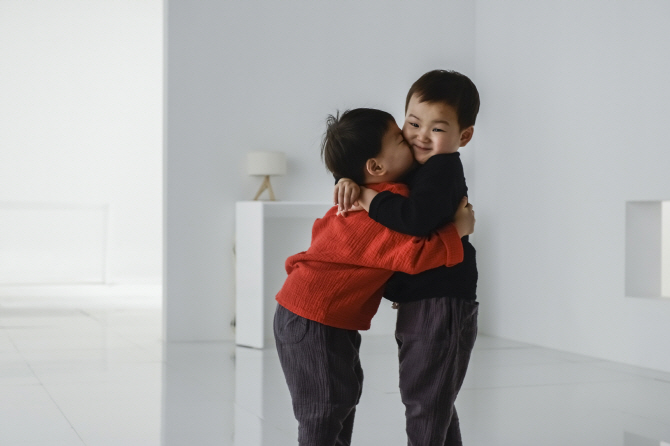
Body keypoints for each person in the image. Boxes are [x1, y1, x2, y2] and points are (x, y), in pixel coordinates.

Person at [274, 107, 475, 446]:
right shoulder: (386, 205)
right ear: (376, 167)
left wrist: (348, 180)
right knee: (324, 409)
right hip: (313, 316)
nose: (411, 141)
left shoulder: (365, 194)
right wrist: (459, 230)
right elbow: (413, 255)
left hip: (320, 315)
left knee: (340, 398)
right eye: (400, 138)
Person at [334, 70, 480, 445]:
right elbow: (378, 171)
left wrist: (365, 197)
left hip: (442, 299)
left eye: (437, 129)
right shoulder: (418, 164)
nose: (420, 136)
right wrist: (348, 181)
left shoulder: (442, 169)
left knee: (425, 400)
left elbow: (413, 221)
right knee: (431, 396)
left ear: (464, 136)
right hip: (425, 298)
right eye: (413, 123)